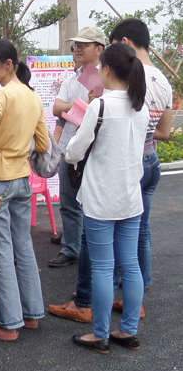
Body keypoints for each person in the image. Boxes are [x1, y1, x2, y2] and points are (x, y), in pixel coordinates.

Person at [67, 43, 148, 354]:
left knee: (102, 267)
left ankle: (100, 334)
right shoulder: (138, 104)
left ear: (108, 70)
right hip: (130, 195)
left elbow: (76, 150)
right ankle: (128, 331)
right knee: (129, 263)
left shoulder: (99, 106)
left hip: (102, 197)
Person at [0, 40, 50, 341]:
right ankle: (30, 315)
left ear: (8, 64)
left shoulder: (1, 96)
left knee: (1, 250)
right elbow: (42, 144)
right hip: (22, 179)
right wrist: (18, 149)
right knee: (24, 247)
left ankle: (6, 323)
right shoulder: (32, 96)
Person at [109, 19, 172, 316]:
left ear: (124, 42)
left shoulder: (135, 78)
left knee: (114, 229)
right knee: (141, 229)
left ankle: (116, 290)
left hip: (131, 163)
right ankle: (141, 291)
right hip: (153, 160)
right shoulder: (163, 80)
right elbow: (165, 132)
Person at [49, 27, 105, 268]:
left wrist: (70, 108)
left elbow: (97, 109)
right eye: (76, 45)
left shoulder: (100, 76)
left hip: (93, 149)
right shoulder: (73, 76)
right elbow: (55, 108)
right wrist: (80, 105)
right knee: (69, 201)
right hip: (69, 147)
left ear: (99, 49)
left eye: (84, 44)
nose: (77, 48)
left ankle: (91, 252)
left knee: (92, 204)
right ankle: (71, 248)